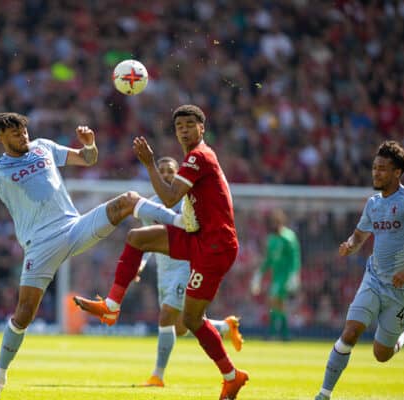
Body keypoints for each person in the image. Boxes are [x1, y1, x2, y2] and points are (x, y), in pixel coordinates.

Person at [0, 112, 191, 400]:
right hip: (40, 245)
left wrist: (89, 145)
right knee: (24, 314)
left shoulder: (43, 147)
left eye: (24, 131)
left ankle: (180, 222)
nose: (22, 136)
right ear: (1, 137)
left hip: (74, 227)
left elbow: (88, 159)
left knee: (127, 200)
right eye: (15, 133)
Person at [74, 104, 249, 399]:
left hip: (215, 246)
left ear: (202, 129)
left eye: (190, 124)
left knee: (190, 321)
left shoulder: (199, 156)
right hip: (199, 238)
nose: (183, 130)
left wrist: (149, 163)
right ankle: (112, 308)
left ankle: (231, 376)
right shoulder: (193, 158)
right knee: (136, 238)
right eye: (179, 125)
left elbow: (169, 199)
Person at [136, 156, 244, 388]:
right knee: (181, 326)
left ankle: (157, 376)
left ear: (178, 175)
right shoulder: (149, 207)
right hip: (164, 271)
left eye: (170, 171)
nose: (165, 174)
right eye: (161, 170)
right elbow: (147, 240)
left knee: (166, 316)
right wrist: (140, 263)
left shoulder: (188, 203)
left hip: (186, 265)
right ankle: (225, 327)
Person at [315, 140, 404, 400]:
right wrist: (350, 245)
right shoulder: (373, 203)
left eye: (382, 169)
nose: (376, 173)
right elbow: (359, 236)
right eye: (374, 168)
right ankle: (324, 394)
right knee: (351, 331)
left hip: (403, 291)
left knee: (381, 355)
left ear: (397, 173)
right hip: (374, 279)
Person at [250, 208, 301, 340]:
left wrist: (293, 275)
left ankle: (274, 333)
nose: (274, 225)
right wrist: (259, 273)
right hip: (276, 275)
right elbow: (269, 259)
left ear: (281, 222)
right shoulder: (272, 239)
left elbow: (295, 258)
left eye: (276, 222)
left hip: (285, 275)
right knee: (278, 304)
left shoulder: (288, 237)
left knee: (274, 301)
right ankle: (284, 335)